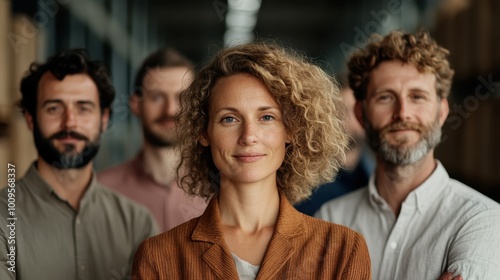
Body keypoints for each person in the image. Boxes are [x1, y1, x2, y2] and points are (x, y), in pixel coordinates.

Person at [132, 42, 372, 279]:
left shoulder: (343, 250)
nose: (248, 136)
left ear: (291, 129)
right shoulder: (158, 257)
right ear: (203, 133)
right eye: (229, 119)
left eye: (266, 117)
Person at [316, 30, 500, 280]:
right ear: (361, 114)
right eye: (385, 97)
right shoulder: (330, 220)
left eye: (417, 97)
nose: (403, 113)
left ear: (442, 112)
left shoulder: (482, 220)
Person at [0, 49, 157, 280]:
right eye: (54, 108)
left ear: (103, 119)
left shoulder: (137, 224)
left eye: (83, 108)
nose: (69, 122)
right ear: (31, 119)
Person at [98, 48, 206, 232]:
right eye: (157, 97)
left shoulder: (221, 189)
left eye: (182, 98)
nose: (170, 110)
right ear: (136, 104)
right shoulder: (102, 191)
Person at [295, 85, 375, 216]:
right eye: (339, 110)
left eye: (356, 110)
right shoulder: (305, 181)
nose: (344, 119)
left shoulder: (372, 179)